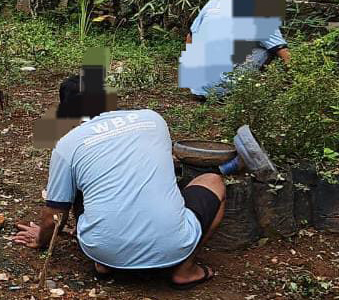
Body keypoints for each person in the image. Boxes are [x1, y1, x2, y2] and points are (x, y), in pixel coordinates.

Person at [13, 75, 235, 288]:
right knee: (213, 180)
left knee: (82, 182)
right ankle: (185, 269)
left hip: (104, 250)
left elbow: (55, 212)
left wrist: (40, 238)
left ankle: (105, 263)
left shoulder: (68, 145)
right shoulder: (153, 119)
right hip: (174, 246)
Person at [180, 0, 289, 99]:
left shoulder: (214, 3)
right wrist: (299, 81)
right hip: (221, 91)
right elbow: (284, 54)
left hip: (196, 87)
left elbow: (190, 37)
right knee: (268, 49)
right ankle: (237, 92)